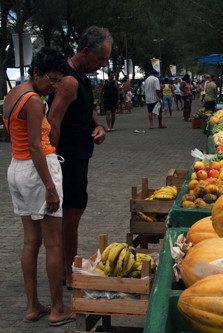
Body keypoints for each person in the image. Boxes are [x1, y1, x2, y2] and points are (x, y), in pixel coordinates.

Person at [4, 47, 74, 326]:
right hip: (37, 170)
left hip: (17, 171)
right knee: (54, 243)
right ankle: (57, 308)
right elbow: (35, 145)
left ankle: (33, 306)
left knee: (31, 241)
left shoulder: (14, 94)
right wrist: (50, 187)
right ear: (37, 73)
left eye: (58, 82)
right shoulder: (33, 100)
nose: (54, 88)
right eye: (53, 80)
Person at [47, 26, 111, 290]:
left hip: (79, 155)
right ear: (85, 51)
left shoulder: (82, 79)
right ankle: (69, 272)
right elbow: (52, 121)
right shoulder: (70, 80)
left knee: (75, 212)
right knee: (71, 215)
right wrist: (51, 160)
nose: (102, 64)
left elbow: (88, 112)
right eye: (100, 59)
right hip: (67, 158)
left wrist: (99, 127)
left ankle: (67, 267)